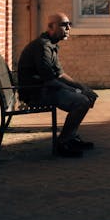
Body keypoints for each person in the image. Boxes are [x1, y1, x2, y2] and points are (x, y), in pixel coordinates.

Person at [17, 12, 98, 158]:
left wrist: (83, 87)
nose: (68, 28)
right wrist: (77, 92)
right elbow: (50, 79)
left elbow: (60, 74)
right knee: (81, 101)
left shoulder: (50, 44)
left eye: (69, 24)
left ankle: (70, 138)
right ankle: (63, 143)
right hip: (36, 93)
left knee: (87, 96)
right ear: (50, 27)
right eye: (63, 25)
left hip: (45, 89)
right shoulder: (42, 47)